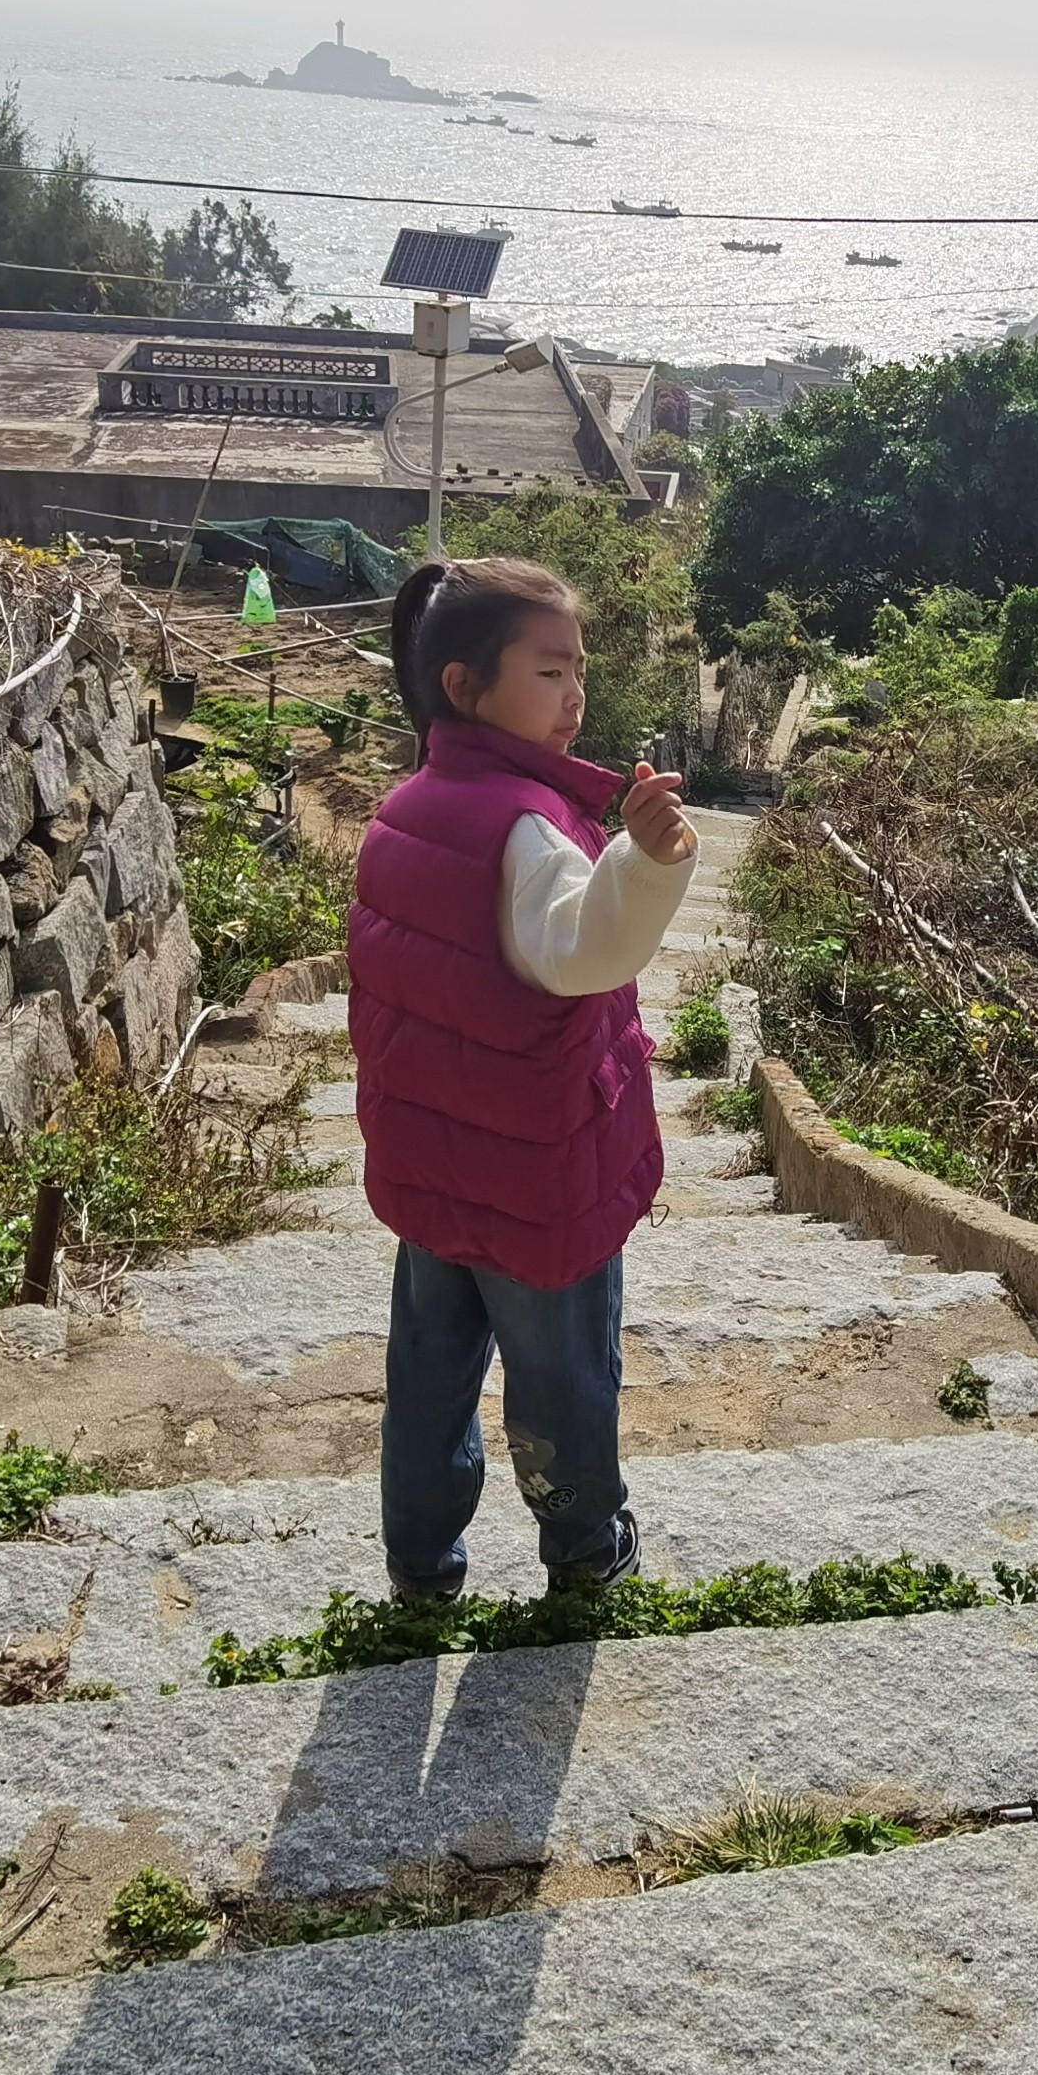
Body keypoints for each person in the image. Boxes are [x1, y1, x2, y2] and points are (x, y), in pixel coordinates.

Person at [347, 555, 699, 1601]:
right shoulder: (527, 827)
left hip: (434, 1165)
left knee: (428, 1380)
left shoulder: (405, 807)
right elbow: (584, 954)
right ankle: (587, 1549)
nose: (576, 694)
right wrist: (644, 863)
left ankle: (420, 1568)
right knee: (561, 1382)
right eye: (551, 672)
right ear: (465, 685)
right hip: (539, 1177)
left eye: (577, 669)